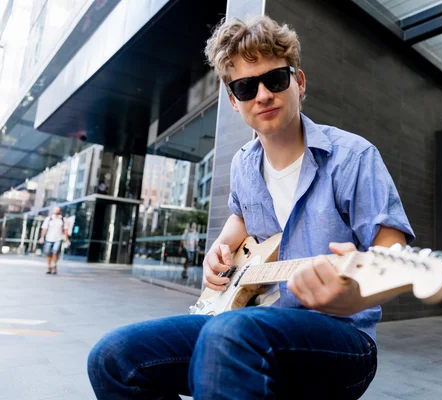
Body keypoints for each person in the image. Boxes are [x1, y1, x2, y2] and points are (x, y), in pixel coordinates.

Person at [87, 16, 415, 400]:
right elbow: (242, 217)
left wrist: (352, 296)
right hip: (240, 321)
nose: (262, 95)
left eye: (275, 80)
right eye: (245, 87)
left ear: (299, 82)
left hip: (342, 339)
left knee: (231, 333)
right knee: (113, 358)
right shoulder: (243, 162)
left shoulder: (352, 158)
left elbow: (396, 256)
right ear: (233, 101)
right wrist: (219, 251)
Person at [38, 206, 70, 275]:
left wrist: (67, 239)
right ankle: (49, 267)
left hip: (58, 238)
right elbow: (44, 229)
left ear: (60, 211)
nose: (56, 211)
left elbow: (65, 230)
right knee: (48, 253)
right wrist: (42, 237)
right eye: (55, 210)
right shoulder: (48, 219)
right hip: (49, 238)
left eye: (58, 210)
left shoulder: (63, 219)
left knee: (55, 252)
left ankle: (54, 266)